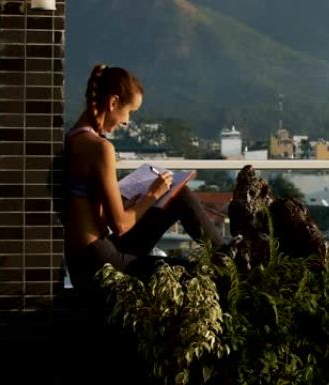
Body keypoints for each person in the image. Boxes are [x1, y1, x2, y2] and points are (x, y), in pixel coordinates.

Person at [64, 64, 224, 293]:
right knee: (195, 273)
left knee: (178, 194)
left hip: (86, 259)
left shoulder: (74, 139)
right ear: (112, 103)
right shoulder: (100, 148)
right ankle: (232, 264)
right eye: (129, 112)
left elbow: (95, 214)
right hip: (101, 263)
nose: (126, 121)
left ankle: (229, 260)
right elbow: (119, 225)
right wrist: (151, 195)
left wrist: (133, 204)